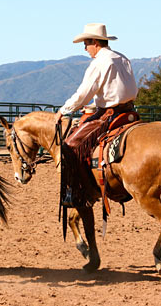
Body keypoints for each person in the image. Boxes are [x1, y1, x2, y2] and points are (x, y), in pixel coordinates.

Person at [54, 23, 138, 207]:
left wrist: (63, 110)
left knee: (70, 145)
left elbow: (83, 94)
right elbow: (124, 89)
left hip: (108, 114)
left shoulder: (99, 62)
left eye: (86, 43)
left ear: (95, 42)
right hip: (129, 111)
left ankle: (75, 191)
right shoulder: (122, 58)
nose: (85, 48)